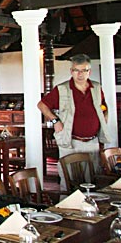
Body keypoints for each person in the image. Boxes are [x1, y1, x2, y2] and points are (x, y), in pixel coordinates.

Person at [37, 53, 110, 190]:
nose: (80, 74)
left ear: (89, 72)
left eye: (84, 70)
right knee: (69, 181)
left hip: (92, 142)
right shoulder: (62, 89)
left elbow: (104, 106)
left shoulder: (96, 88)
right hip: (70, 142)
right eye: (77, 70)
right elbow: (42, 105)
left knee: (92, 181)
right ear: (72, 71)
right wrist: (55, 121)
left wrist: (104, 119)